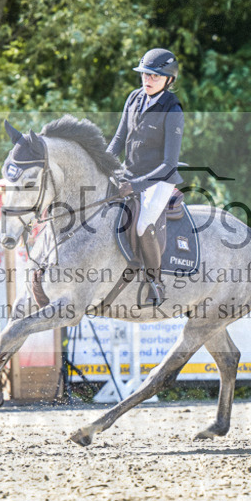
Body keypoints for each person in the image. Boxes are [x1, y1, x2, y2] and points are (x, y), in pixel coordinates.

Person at [106, 48, 184, 307]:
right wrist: (103, 165)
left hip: (159, 180)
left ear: (168, 80)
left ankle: (155, 281)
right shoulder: (134, 98)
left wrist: (136, 185)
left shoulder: (172, 110)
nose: (148, 80)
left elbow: (169, 164)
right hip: (129, 175)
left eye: (154, 76)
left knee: (142, 225)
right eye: (145, 75)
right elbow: (118, 140)